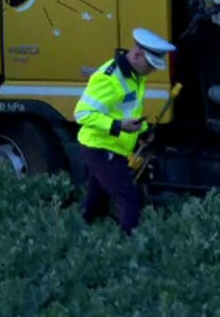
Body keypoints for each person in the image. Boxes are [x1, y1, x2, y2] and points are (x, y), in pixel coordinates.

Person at [74, 27, 177, 235]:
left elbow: (129, 110)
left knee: (96, 199)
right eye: (151, 65)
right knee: (129, 196)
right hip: (99, 147)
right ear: (138, 55)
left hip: (114, 146)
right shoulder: (108, 78)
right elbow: (82, 114)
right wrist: (118, 126)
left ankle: (77, 232)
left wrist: (143, 131)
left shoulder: (136, 75)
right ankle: (130, 249)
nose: (153, 71)